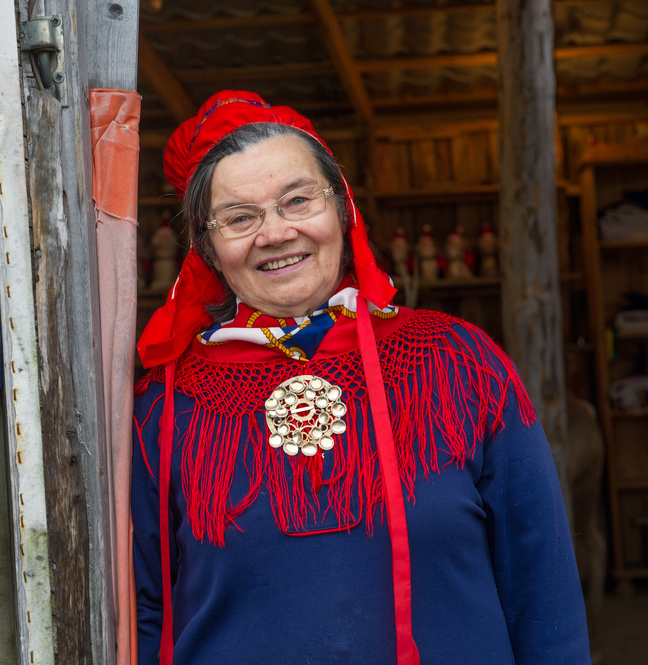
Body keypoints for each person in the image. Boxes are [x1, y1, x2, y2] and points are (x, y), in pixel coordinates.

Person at [131, 91, 590, 665]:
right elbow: (144, 615)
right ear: (206, 246)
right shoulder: (166, 407)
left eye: (298, 201)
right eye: (240, 218)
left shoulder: (457, 363)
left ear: (343, 209)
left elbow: (541, 587)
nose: (274, 233)